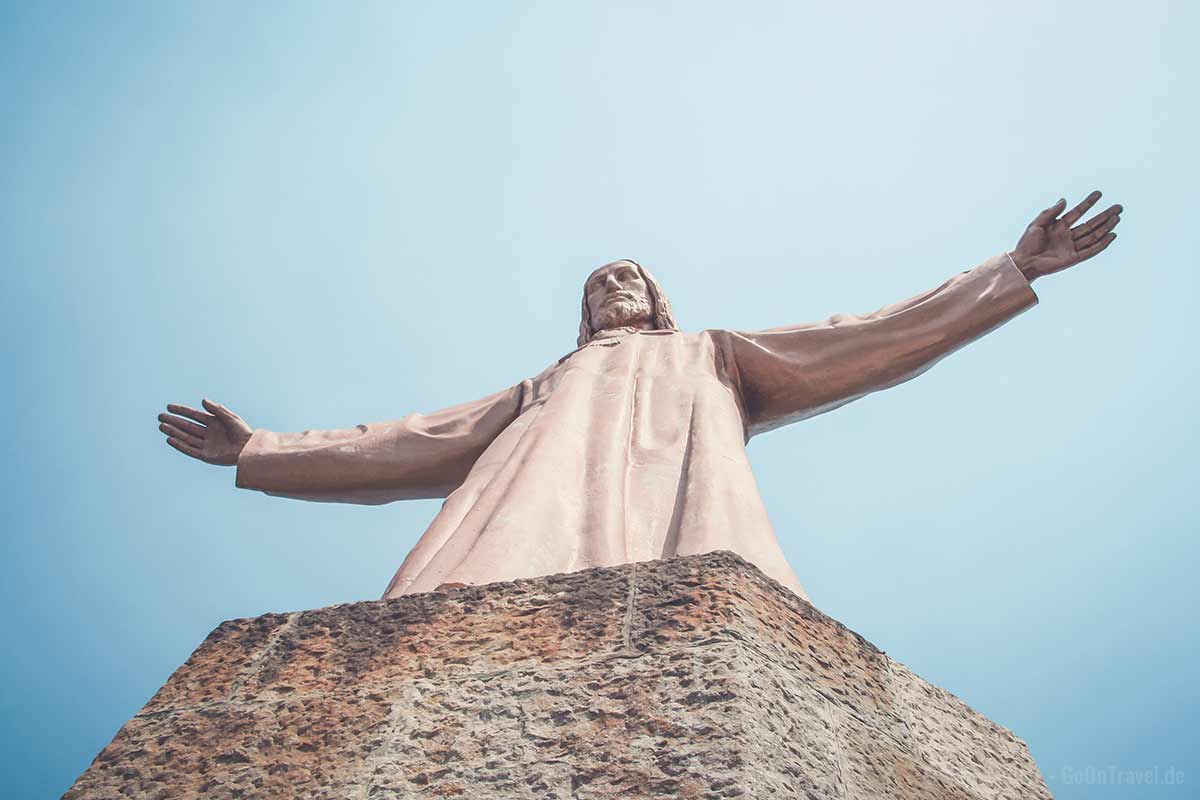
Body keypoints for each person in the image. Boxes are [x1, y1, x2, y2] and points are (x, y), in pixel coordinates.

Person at [158, 192, 1121, 599]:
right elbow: (409, 442)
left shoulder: (711, 354)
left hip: (682, 518)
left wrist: (1008, 273)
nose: (612, 286)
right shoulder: (550, 382)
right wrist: (262, 448)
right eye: (596, 286)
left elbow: (865, 341)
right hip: (525, 524)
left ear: (657, 302)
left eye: (628, 279)